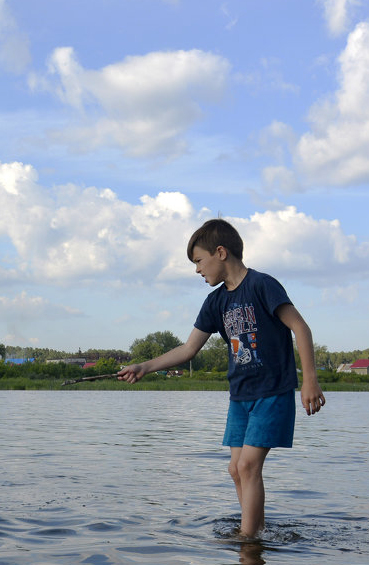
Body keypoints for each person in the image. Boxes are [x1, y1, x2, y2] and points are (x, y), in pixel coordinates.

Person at [117, 219, 325, 539]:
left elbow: (301, 328)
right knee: (235, 469)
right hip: (239, 397)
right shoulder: (216, 301)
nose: (198, 270)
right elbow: (188, 349)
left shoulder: (262, 285)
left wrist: (310, 381)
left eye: (199, 261)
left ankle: (247, 538)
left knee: (247, 467)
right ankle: (256, 531)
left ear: (221, 252)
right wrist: (145, 366)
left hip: (272, 392)